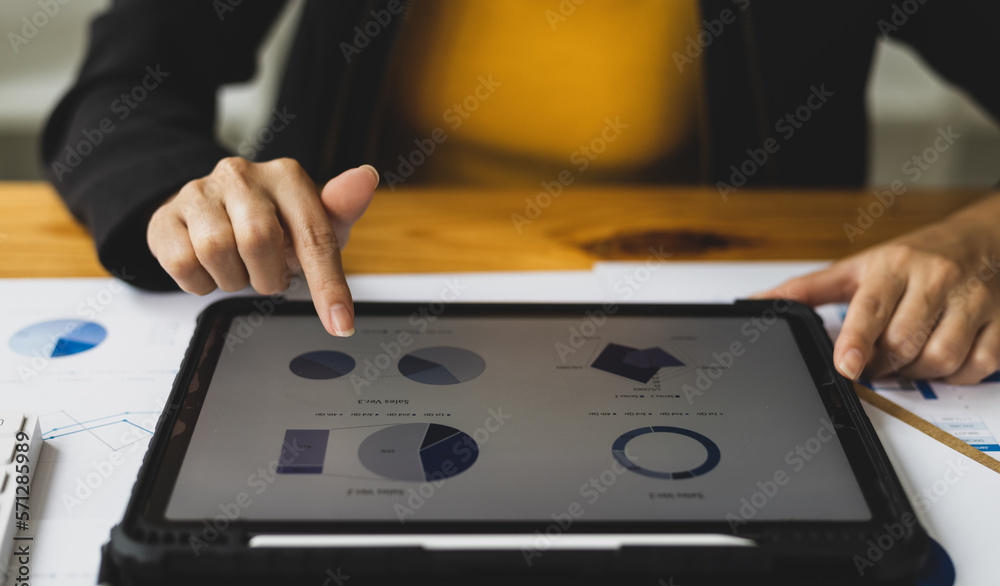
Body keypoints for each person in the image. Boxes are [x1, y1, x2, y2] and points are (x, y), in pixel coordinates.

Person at [43, 0, 1000, 383]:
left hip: (738, 336)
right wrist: (187, 196)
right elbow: (128, 83)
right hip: (353, 306)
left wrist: (980, 241)